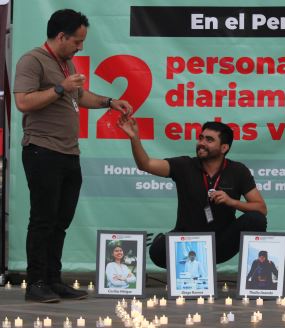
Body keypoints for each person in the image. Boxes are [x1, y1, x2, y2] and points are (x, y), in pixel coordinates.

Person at [13, 9, 132, 303]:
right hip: (42, 150)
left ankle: (53, 279)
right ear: (61, 36)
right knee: (42, 219)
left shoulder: (66, 63)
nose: (80, 47)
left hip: (68, 153)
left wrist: (109, 102)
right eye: (77, 41)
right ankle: (36, 282)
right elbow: (23, 102)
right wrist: (59, 88)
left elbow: (79, 96)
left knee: (61, 220)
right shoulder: (32, 60)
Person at [117, 118, 268, 266]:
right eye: (201, 138)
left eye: (209, 140)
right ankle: (190, 261)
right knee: (157, 251)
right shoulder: (184, 165)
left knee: (256, 219)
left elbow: (261, 208)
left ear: (224, 148)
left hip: (220, 243)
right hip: (187, 241)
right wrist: (134, 137)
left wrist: (231, 201)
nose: (201, 143)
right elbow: (146, 164)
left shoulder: (238, 170)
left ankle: (255, 270)